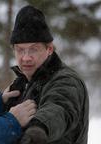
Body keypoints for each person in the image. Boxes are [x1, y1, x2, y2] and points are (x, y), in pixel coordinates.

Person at [6, 5, 89, 144]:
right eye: (20, 50)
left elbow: (60, 107)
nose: (26, 58)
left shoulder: (66, 80)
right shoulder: (23, 83)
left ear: (49, 49)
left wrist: (39, 128)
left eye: (34, 49)